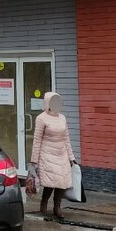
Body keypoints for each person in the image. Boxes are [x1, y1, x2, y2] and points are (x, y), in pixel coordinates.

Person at [29, 91, 75, 220]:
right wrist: (34, 160)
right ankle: (44, 202)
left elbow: (66, 139)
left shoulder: (62, 118)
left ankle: (57, 207)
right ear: (48, 103)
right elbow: (37, 140)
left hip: (62, 154)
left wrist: (71, 157)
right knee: (51, 181)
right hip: (47, 154)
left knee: (62, 182)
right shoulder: (41, 118)